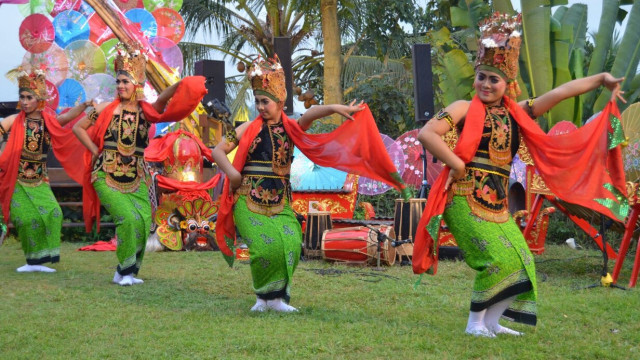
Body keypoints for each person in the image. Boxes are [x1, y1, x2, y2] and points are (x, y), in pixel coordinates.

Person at [413, 12, 627, 337]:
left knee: (524, 262)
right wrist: (456, 165)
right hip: (463, 198)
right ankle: (475, 324)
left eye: (493, 79)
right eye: (481, 77)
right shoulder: (463, 107)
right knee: (498, 260)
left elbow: (561, 92)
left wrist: (601, 79)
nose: (486, 84)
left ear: (506, 83)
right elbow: (427, 133)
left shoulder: (518, 112)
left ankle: (493, 321)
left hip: (496, 206)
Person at [213, 56, 411, 312]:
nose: (261, 107)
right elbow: (218, 151)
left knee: (292, 244)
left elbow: (311, 114)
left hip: (281, 201)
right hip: (247, 199)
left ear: (280, 101)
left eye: (266, 101)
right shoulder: (247, 128)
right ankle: (263, 299)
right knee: (265, 246)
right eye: (258, 101)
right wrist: (233, 174)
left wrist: (335, 108)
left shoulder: (292, 129)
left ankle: (278, 298)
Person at [72, 42, 206, 286]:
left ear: (137, 85)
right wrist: (95, 151)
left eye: (127, 81)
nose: (121, 86)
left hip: (136, 177)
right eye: (119, 81)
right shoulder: (104, 109)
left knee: (144, 222)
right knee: (126, 218)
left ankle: (130, 271)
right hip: (106, 173)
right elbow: (78, 128)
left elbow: (164, 100)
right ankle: (122, 271)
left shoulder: (146, 112)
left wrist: (180, 85)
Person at [0, 69, 94, 272]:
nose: (25, 101)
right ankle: (31, 261)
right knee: (26, 219)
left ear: (39, 99)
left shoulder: (47, 122)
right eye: (22, 97)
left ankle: (41, 260)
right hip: (16, 179)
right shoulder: (15, 120)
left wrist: (84, 105)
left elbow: (68, 117)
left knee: (54, 213)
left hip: (39, 181)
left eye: (29, 97)